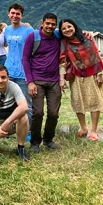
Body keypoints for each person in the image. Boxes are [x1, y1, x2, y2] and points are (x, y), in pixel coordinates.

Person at [59, 18, 103, 141]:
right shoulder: (64, 43)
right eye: (63, 28)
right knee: (78, 101)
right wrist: (62, 78)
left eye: (69, 26)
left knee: (95, 101)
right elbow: (62, 61)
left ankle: (94, 131)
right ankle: (83, 127)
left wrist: (100, 73)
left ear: (74, 26)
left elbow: (96, 54)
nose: (67, 30)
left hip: (92, 74)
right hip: (76, 76)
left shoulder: (87, 37)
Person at [23, 12, 62, 153]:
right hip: (37, 80)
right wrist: (30, 82)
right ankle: (35, 142)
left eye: (53, 24)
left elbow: (74, 34)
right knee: (38, 112)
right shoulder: (33, 37)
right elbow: (25, 59)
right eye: (48, 23)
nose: (50, 26)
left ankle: (48, 139)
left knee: (53, 113)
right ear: (42, 23)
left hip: (54, 81)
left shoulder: (58, 36)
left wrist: (86, 34)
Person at [3, 3, 35, 123]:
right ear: (8, 14)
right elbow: (5, 44)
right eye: (13, 13)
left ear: (21, 15)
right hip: (9, 70)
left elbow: (35, 49)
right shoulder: (6, 30)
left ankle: (28, 131)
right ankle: (10, 127)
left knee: (26, 103)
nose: (15, 16)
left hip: (24, 72)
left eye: (18, 14)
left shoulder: (28, 30)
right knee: (8, 101)